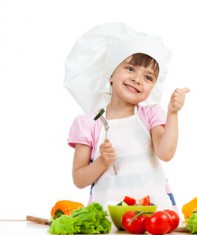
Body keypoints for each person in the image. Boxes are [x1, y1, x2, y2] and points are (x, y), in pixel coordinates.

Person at [64, 23, 189, 211]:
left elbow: (166, 153)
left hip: (153, 217)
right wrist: (102, 162)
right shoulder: (89, 123)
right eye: (130, 69)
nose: (137, 79)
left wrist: (172, 113)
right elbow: (79, 179)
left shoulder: (150, 115)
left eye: (148, 77)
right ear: (111, 74)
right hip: (108, 219)